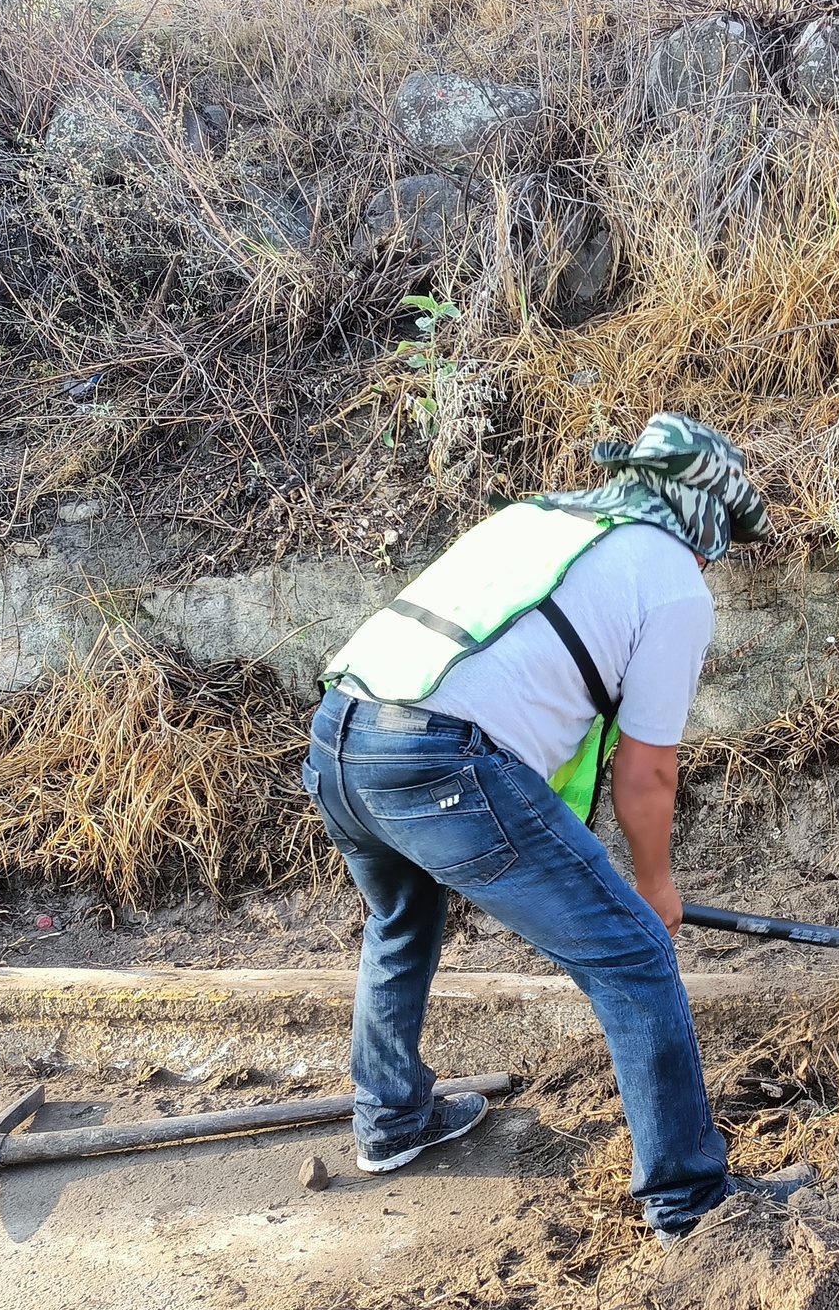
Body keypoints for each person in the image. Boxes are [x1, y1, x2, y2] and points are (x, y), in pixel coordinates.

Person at [302, 414, 797, 1240]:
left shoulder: (541, 520)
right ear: (703, 520)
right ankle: (691, 1203)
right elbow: (648, 771)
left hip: (340, 736)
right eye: (721, 538)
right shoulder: (673, 578)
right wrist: (654, 890)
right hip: (439, 764)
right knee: (636, 955)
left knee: (401, 916)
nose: (716, 557)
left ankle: (389, 1117)